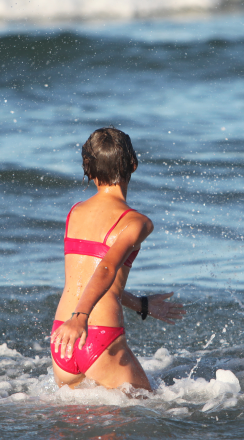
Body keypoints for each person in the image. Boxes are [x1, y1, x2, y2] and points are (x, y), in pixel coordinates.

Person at [50, 128, 185, 391]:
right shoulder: (136, 223)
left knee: (77, 426)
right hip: (94, 333)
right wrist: (81, 317)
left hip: (63, 336)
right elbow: (107, 268)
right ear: (133, 165)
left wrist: (141, 305)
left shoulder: (75, 213)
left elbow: (95, 278)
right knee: (150, 413)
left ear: (87, 169)